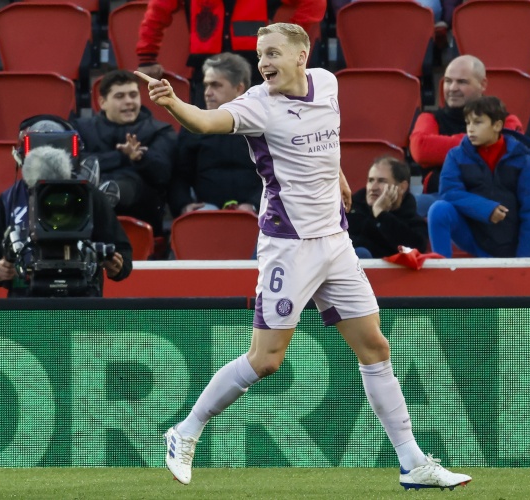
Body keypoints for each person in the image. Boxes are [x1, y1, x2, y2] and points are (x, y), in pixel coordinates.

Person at [136, 22, 472, 491]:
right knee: (266, 359)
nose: (263, 63)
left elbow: (324, 137)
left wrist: (338, 176)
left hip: (335, 241)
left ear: (301, 55)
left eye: (272, 53)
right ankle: (186, 431)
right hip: (289, 245)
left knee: (375, 347)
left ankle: (412, 462)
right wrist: (174, 103)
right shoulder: (258, 104)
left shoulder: (327, 84)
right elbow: (206, 122)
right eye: (259, 55)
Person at [0, 145, 133, 297]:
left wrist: (117, 267)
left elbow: (122, 251)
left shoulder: (90, 196)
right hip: (25, 298)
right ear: (29, 185)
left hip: (83, 297)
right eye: (42, 188)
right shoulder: (7, 201)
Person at [136, 0, 326, 106]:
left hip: (255, 73)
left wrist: (286, 37)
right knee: (205, 136)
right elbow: (157, 11)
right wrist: (147, 55)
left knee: (254, 138)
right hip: (207, 73)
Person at [427, 96, 530, 258]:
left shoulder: (523, 160)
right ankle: (441, 268)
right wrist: (486, 209)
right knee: (439, 209)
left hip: (509, 246)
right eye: (468, 123)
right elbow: (449, 192)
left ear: (497, 125)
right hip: (475, 239)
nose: (470, 129)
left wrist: (525, 262)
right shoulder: (455, 156)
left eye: (478, 122)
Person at [409, 55, 523, 215]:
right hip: (441, 199)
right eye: (448, 81)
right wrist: (482, 142)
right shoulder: (429, 118)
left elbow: (505, 147)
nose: (452, 88)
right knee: (411, 205)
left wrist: (443, 149)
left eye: (462, 82)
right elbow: (420, 149)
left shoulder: (506, 120)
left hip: (491, 199)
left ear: (483, 84)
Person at [73, 70, 177, 235]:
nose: (128, 101)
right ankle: (102, 193)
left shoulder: (160, 130)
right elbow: (73, 163)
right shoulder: (81, 129)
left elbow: (163, 174)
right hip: (88, 216)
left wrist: (140, 158)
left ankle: (104, 194)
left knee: (132, 180)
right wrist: (123, 157)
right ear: (102, 102)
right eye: (120, 96)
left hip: (141, 210)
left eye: (133, 95)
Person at [168, 53, 262, 217]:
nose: (207, 92)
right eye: (206, 85)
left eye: (216, 85)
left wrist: (254, 204)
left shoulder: (262, 126)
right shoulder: (192, 125)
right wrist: (184, 205)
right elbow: (179, 176)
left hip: (258, 215)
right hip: (206, 214)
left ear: (239, 89)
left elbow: (277, 175)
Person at [346, 155, 428, 259]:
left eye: (382, 181)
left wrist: (381, 214)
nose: (373, 188)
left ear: (402, 187)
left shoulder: (414, 222)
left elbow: (415, 249)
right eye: (371, 180)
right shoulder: (350, 210)